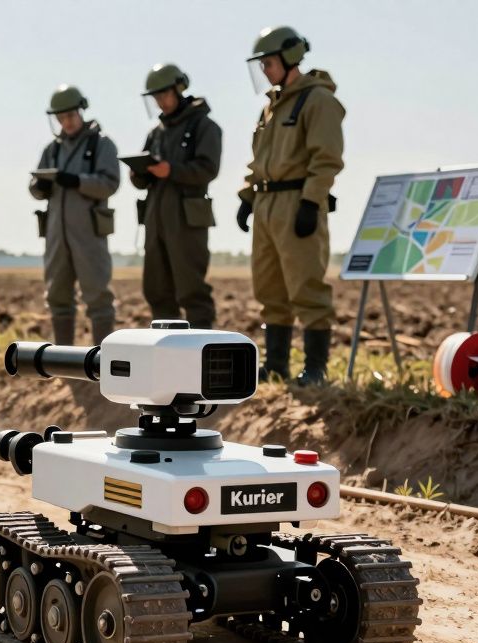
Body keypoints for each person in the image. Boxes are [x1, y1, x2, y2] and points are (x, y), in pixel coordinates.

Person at [237, 26, 345, 385]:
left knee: (307, 287)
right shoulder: (270, 106)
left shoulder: (318, 101)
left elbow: (326, 159)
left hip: (297, 201)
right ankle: (276, 364)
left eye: (268, 63)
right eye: (262, 64)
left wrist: (310, 202)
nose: (265, 70)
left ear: (290, 58)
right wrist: (247, 198)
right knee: (269, 288)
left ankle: (315, 368)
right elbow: (259, 161)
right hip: (267, 204)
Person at [129, 63, 222, 329]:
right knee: (156, 289)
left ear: (178, 89)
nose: (160, 102)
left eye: (164, 94)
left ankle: (202, 354)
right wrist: (139, 174)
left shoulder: (203, 126)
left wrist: (172, 170)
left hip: (186, 220)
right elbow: (145, 175)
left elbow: (208, 169)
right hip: (155, 219)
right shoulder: (155, 133)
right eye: (155, 97)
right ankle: (168, 355)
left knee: (192, 290)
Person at [29, 84, 121, 346]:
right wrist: (40, 187)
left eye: (70, 115)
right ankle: (63, 359)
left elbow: (110, 183)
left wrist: (78, 181)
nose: (66, 122)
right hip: (56, 233)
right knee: (57, 295)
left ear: (81, 111)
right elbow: (35, 186)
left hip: (88, 232)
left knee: (98, 296)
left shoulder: (101, 145)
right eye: (60, 117)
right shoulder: (52, 150)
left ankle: (105, 361)